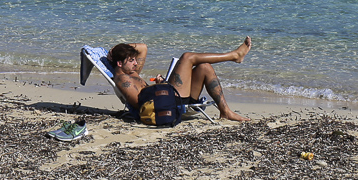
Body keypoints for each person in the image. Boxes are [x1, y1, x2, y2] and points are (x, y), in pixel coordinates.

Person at [107, 37, 253, 122]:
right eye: (131, 60)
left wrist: (117, 50)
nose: (136, 63)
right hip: (168, 103)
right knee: (187, 57)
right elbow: (140, 102)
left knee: (204, 67)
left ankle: (225, 112)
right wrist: (158, 87)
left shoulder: (132, 72)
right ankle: (235, 56)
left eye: (135, 60)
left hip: (169, 98)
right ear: (119, 63)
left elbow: (142, 47)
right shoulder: (122, 79)